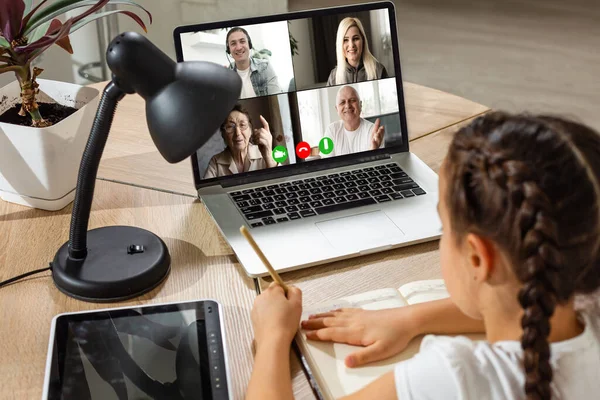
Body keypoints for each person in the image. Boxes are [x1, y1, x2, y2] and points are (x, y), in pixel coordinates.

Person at [246, 112, 600, 400]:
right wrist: (411, 318)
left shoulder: (458, 378)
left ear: (477, 259)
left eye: (444, 226)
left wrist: (273, 335)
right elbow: (532, 298)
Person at [204, 104, 277, 179]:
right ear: (224, 134)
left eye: (242, 125)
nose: (238, 133)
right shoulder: (216, 162)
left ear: (250, 131)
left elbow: (281, 183)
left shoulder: (264, 153)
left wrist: (268, 155)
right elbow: (206, 190)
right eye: (230, 127)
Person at [323, 85, 385, 156]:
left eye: (352, 100)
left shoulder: (373, 131)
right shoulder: (331, 130)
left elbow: (376, 164)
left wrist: (374, 150)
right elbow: (327, 163)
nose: (347, 106)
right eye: (342, 102)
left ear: (360, 105)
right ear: (337, 109)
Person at [327, 17, 389, 86]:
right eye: (345, 40)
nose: (351, 45)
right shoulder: (333, 76)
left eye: (356, 38)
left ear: (363, 40)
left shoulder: (379, 70)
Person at [226, 27, 282, 98]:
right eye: (233, 43)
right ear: (229, 50)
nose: (239, 47)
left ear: (249, 44)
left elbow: (276, 98)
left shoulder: (265, 67)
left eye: (242, 41)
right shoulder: (226, 75)